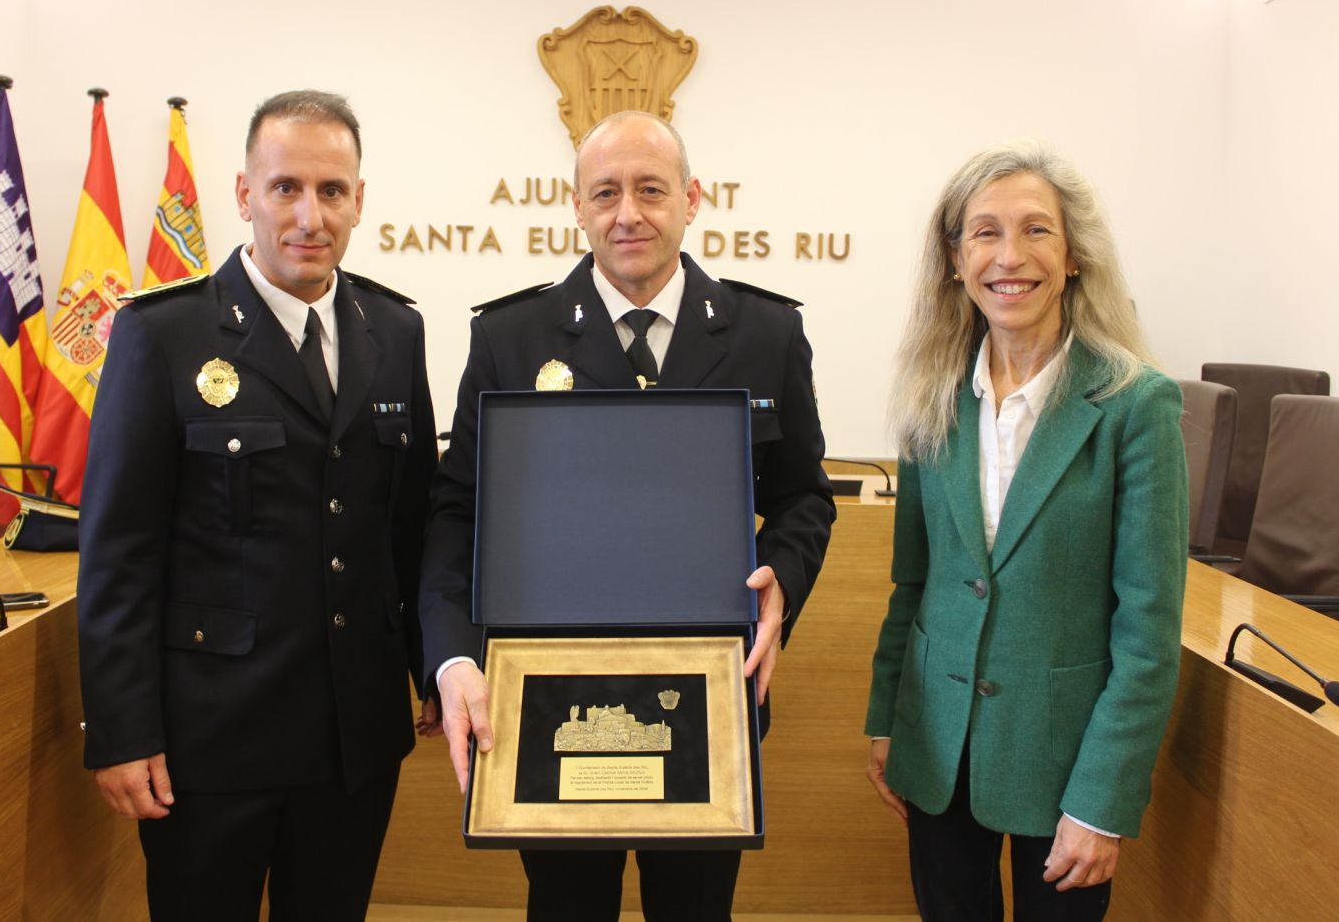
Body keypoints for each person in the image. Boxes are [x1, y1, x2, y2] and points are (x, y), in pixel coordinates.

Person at [419, 110, 836, 922]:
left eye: (651, 189)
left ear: (693, 197)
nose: (628, 213)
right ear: (575, 205)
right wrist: (451, 657)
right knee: (567, 907)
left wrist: (782, 577)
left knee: (696, 908)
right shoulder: (510, 334)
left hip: (709, 693)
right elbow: (456, 511)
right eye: (605, 192)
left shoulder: (765, 332)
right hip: (549, 697)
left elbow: (803, 496)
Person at [77, 90, 437, 921]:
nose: (310, 215)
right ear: (245, 194)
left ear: (358, 200)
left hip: (353, 737)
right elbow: (120, 552)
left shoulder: (395, 331)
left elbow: (409, 523)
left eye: (332, 190)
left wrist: (431, 660)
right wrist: (123, 729)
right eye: (285, 188)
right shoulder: (162, 336)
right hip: (210, 742)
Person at [863, 140, 1188, 921]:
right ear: (953, 258)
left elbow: (1148, 633)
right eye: (984, 232)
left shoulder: (1137, 405)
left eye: (1036, 230)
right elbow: (916, 582)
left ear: (1073, 255)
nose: (1011, 257)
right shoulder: (932, 399)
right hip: (939, 746)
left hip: (1065, 765)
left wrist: (1103, 801)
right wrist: (886, 719)